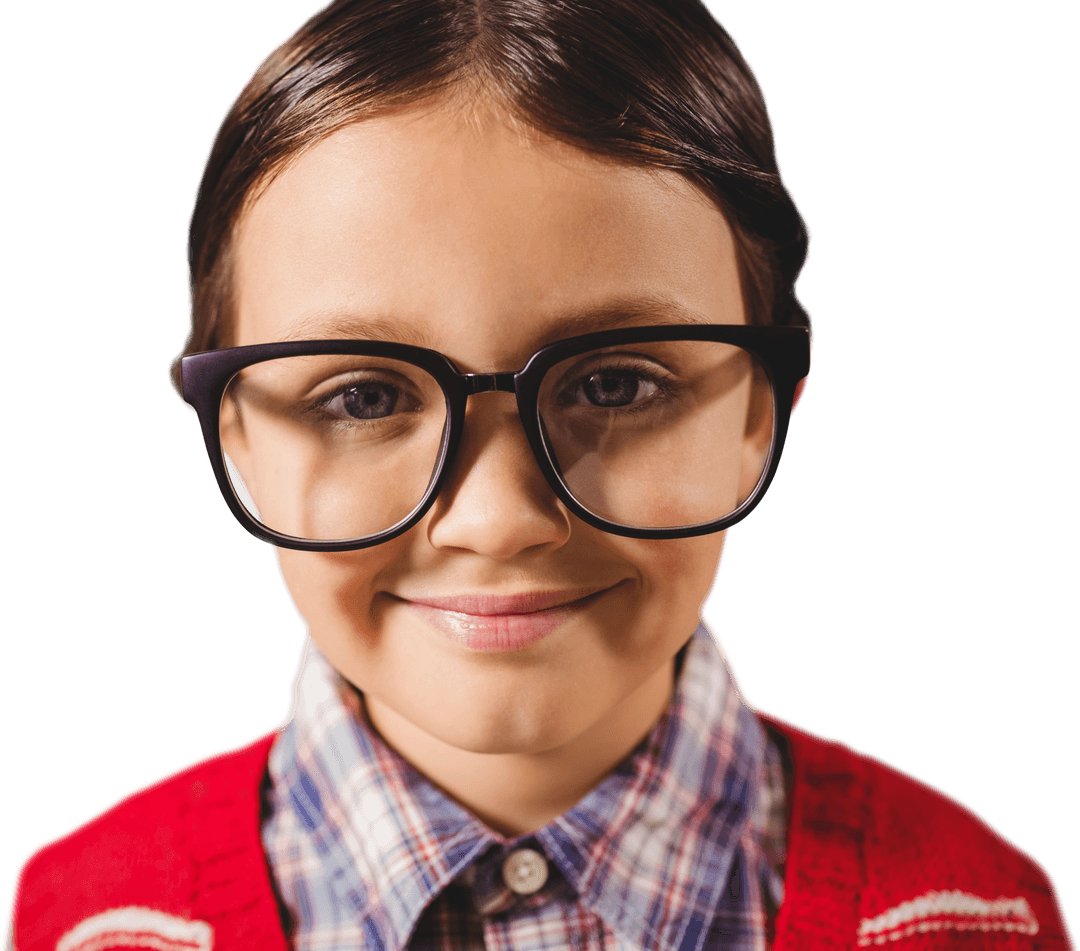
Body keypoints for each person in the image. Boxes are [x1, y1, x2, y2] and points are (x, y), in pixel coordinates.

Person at [5, 1, 1074, 949]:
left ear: (760, 409)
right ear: (231, 433)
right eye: (364, 397)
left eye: (614, 385)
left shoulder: (978, 919)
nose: (500, 518)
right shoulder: (88, 926)